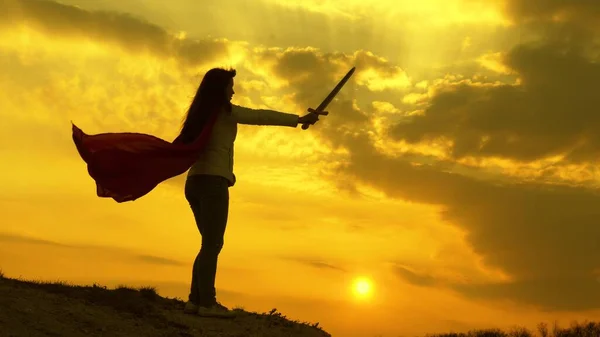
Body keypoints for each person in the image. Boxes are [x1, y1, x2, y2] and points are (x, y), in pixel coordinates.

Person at [176, 67, 326, 318]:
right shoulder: (224, 113)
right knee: (212, 244)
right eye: (229, 86)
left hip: (193, 183)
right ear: (220, 89)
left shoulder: (199, 115)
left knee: (208, 245)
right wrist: (298, 120)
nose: (233, 91)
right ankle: (207, 303)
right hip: (213, 183)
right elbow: (259, 116)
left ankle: (195, 300)